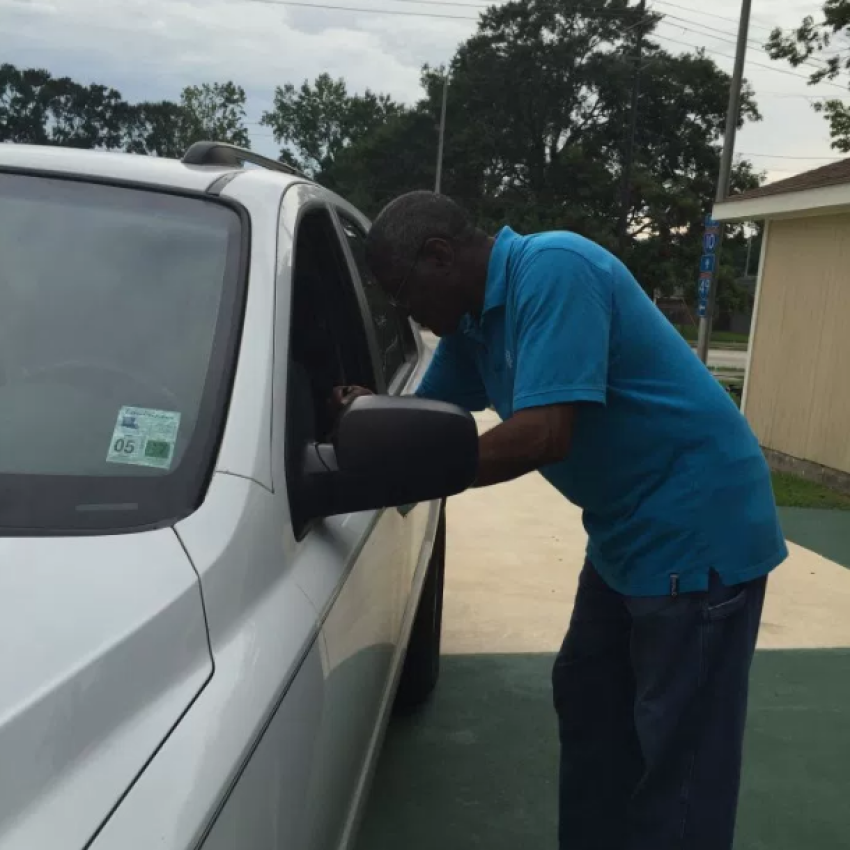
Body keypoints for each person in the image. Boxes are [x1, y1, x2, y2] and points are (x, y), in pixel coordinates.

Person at [334, 191, 787, 850]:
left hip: (697, 527)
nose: (415, 318)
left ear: (440, 255)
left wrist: (403, 476)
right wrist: (363, 416)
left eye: (408, 296)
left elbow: (544, 434)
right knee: (591, 701)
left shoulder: (554, 270)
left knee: (680, 755)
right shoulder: (472, 324)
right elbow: (425, 425)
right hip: (624, 532)